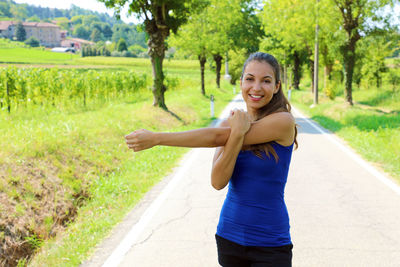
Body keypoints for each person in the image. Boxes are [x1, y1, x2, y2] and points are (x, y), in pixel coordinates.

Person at [125, 52, 298, 267]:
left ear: (277, 86)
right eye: (250, 79)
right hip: (229, 238)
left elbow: (216, 136)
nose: (256, 87)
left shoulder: (283, 121)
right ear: (241, 82)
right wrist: (236, 134)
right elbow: (217, 182)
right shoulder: (232, 124)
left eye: (266, 81)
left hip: (270, 244)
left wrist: (157, 138)